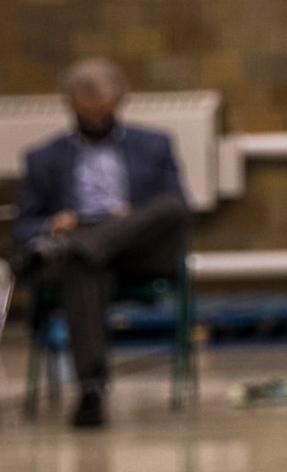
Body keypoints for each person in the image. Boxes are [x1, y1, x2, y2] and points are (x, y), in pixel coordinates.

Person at [10, 57, 190, 430]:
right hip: (82, 247)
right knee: (83, 266)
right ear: (70, 103)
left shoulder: (154, 146)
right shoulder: (44, 157)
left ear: (118, 101)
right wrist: (52, 224)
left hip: (138, 246)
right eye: (83, 104)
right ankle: (91, 388)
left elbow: (176, 208)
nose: (92, 114)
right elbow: (24, 224)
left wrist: (128, 217)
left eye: (100, 105)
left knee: (169, 207)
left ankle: (77, 247)